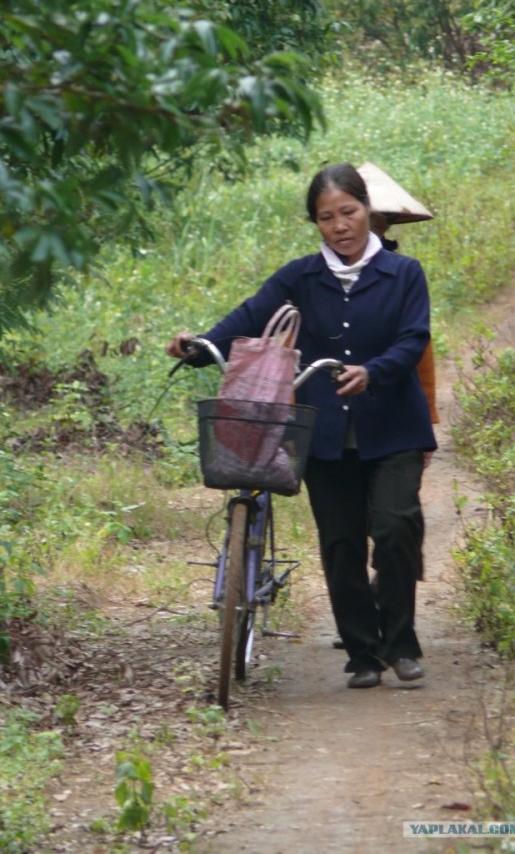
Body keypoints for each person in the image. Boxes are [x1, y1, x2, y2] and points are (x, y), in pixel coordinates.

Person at [167, 162, 437, 689]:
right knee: (340, 542)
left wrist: (373, 371)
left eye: (349, 212)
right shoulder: (300, 276)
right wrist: (198, 346)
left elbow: (413, 338)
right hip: (325, 433)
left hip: (394, 429)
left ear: (368, 211)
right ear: (315, 223)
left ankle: (400, 643)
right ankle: (362, 653)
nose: (340, 225)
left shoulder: (406, 274)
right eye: (326, 217)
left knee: (396, 527)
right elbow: (245, 320)